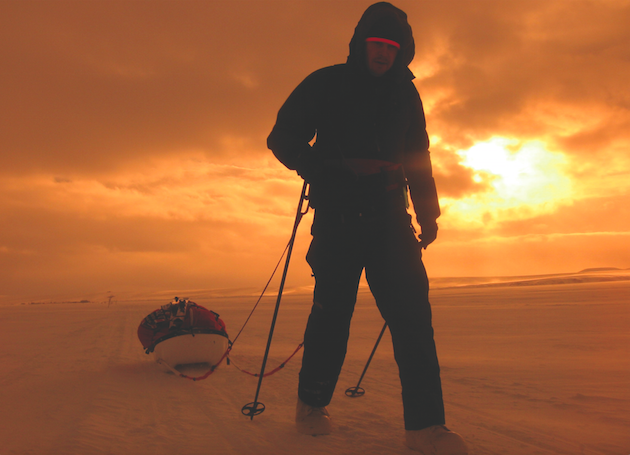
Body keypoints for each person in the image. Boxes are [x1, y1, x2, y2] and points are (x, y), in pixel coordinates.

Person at [267, 3, 468, 454]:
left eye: (392, 46)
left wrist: (428, 211)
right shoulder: (325, 83)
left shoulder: (406, 96)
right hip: (338, 221)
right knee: (332, 317)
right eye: (376, 44)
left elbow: (419, 155)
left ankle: (426, 427)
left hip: (391, 222)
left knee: (414, 319)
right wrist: (323, 168)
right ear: (361, 45)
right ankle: (311, 405)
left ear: (403, 52)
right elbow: (281, 137)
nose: (382, 53)